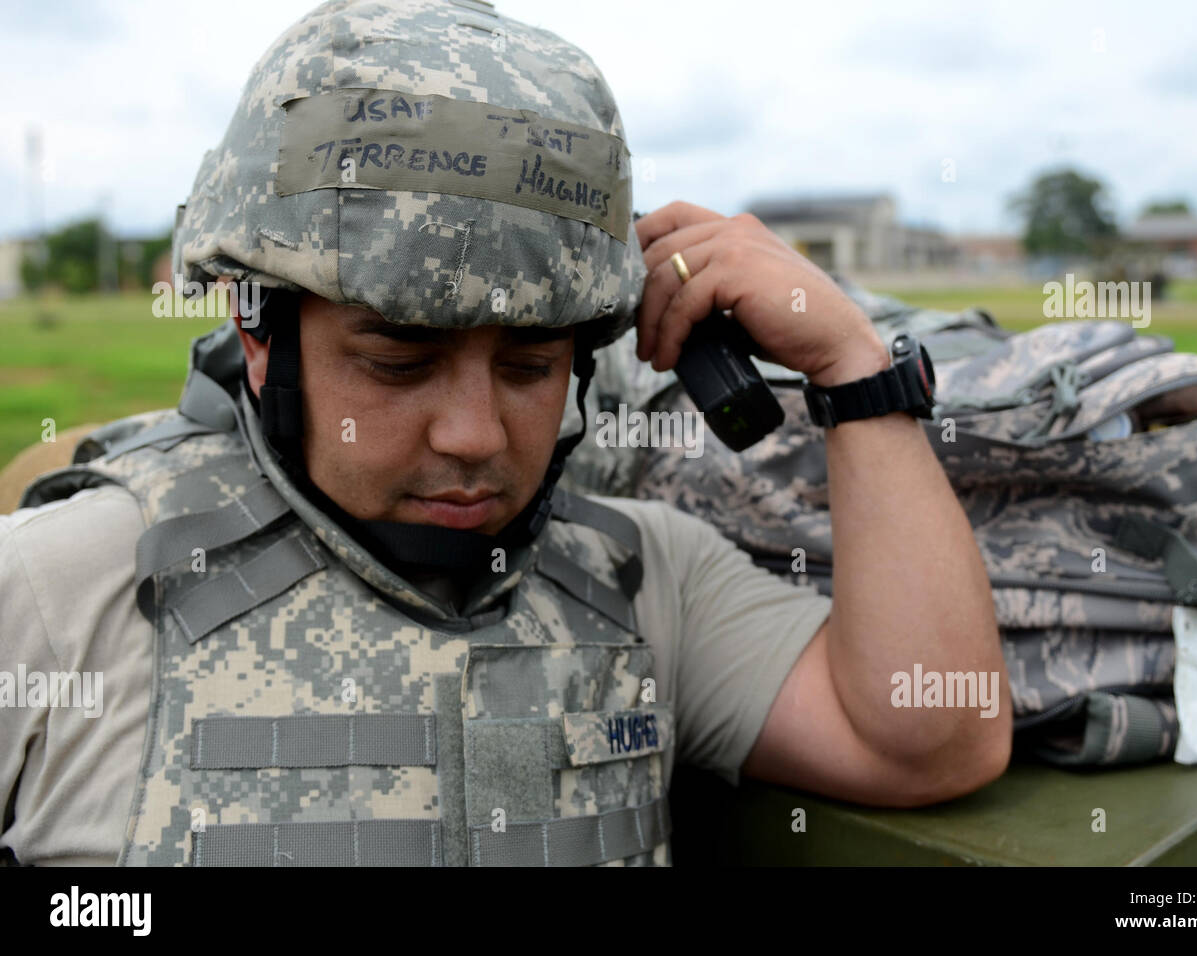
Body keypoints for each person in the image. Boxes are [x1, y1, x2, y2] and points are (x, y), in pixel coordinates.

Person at [0, 0, 1009, 867]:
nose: (476, 434)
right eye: (398, 362)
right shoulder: (58, 593)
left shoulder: (643, 581)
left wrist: (855, 372)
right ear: (256, 333)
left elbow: (929, 740)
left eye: (532, 364)